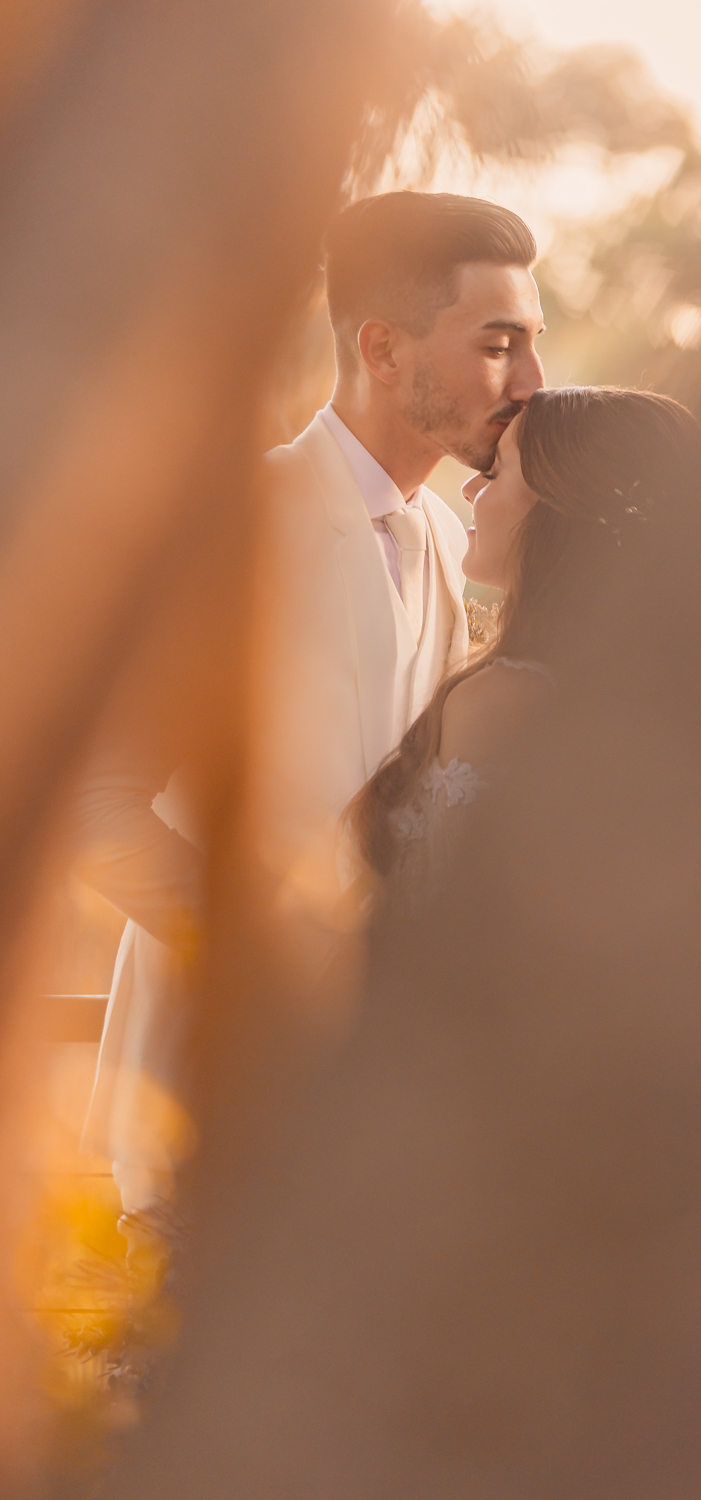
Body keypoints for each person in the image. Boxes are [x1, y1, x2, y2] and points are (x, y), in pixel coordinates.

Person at [79, 191, 546, 1242]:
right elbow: (95, 807)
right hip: (210, 1120)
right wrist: (281, 964)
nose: (530, 382)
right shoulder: (231, 528)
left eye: (530, 343)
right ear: (382, 349)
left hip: (369, 1135)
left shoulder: (449, 536)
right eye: (497, 346)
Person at [346, 385, 697, 890]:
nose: (469, 490)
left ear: (557, 508)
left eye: (495, 472)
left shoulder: (500, 699)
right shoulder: (627, 697)